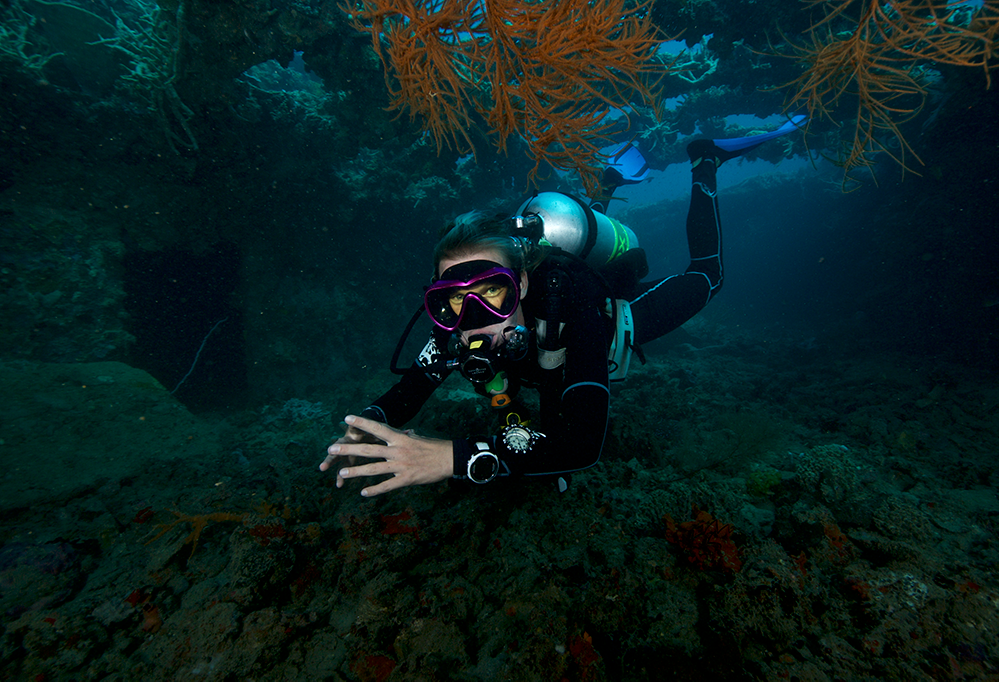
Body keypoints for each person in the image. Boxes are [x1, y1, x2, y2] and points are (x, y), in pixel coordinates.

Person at [320, 117, 805, 497]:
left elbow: (582, 444)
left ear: (523, 282)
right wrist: (366, 425)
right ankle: (604, 189)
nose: (474, 319)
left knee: (708, 277)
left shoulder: (571, 310)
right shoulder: (455, 324)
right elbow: (408, 392)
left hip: (614, 310)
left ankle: (705, 163)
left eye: (492, 292)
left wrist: (450, 458)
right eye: (452, 299)